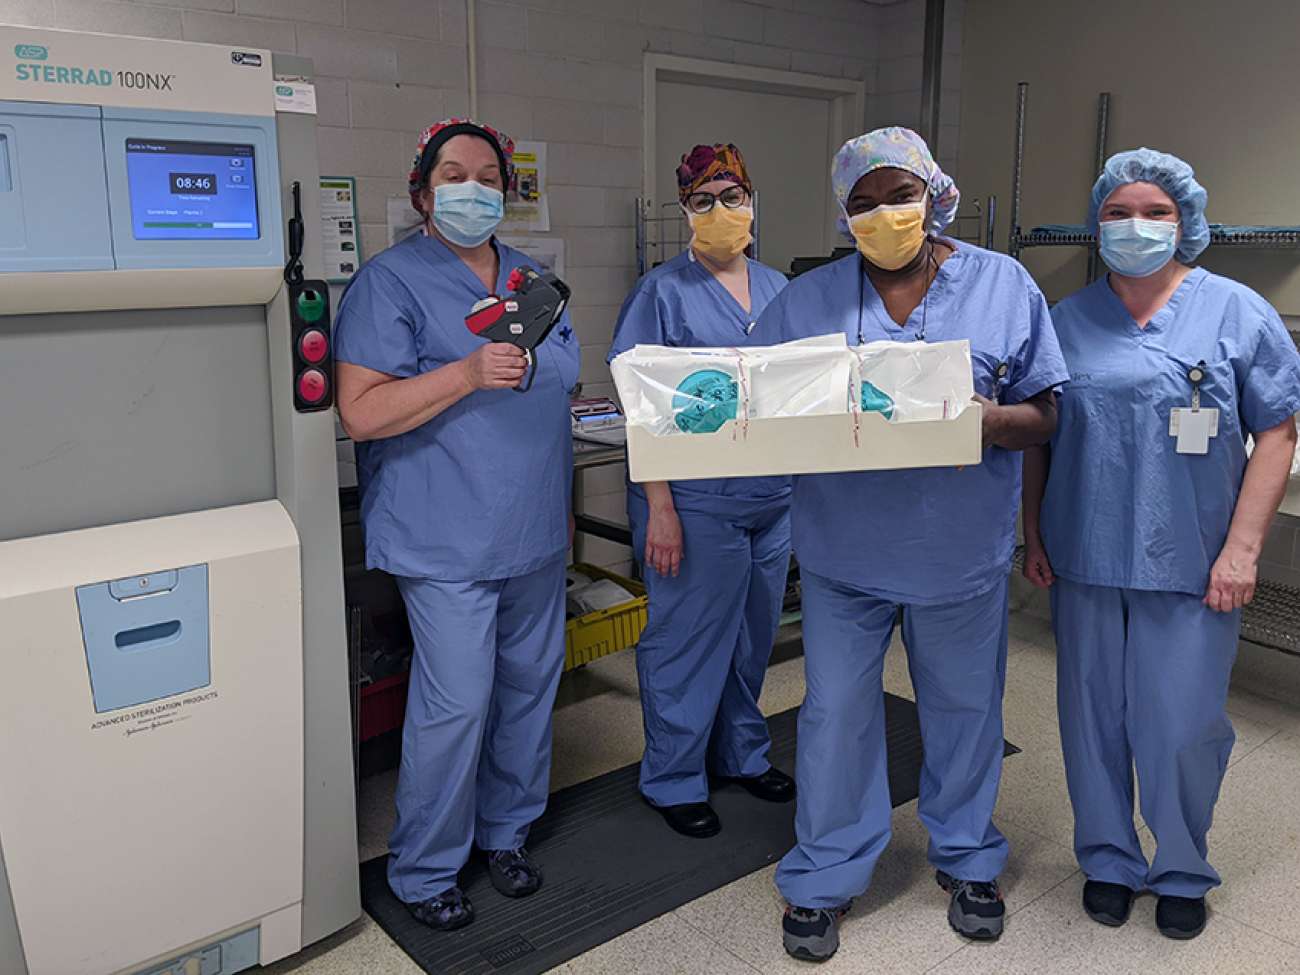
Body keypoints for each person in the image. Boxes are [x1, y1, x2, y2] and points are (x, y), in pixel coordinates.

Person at [752, 127, 1069, 962]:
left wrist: (990, 420)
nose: (882, 214)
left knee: (965, 713)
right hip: (840, 555)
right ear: (843, 216)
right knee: (835, 716)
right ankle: (823, 874)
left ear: (934, 194)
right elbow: (750, 407)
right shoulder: (806, 300)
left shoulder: (1003, 285)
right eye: (862, 203)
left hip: (956, 551)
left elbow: (1048, 412)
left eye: (898, 195)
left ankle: (967, 858)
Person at [1021, 148, 1300, 941]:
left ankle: (1181, 866)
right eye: (1117, 212)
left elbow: (1277, 432)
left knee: (1180, 725)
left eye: (1155, 212)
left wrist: (1243, 550)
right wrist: (1033, 529)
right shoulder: (1065, 321)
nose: (1135, 226)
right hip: (1084, 552)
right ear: (1095, 224)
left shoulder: (1237, 312)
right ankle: (1108, 858)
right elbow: (1041, 439)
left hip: (1193, 560)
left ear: (1187, 222)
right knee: (1090, 719)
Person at [333, 118, 580, 932]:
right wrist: (468, 371)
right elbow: (362, 412)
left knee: (526, 691)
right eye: (453, 174)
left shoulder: (534, 281)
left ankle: (507, 832)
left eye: (487, 175)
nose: (473, 187)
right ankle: (425, 866)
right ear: (422, 192)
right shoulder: (390, 283)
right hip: (445, 539)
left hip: (533, 530)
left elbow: (562, 380)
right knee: (456, 703)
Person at [606, 143, 795, 839]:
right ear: (685, 211)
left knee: (751, 637)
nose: (721, 212)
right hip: (690, 502)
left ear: (753, 202)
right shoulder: (661, 293)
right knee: (687, 640)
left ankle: (742, 753)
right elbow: (640, 405)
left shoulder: (781, 290)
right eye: (703, 200)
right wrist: (659, 507)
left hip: (770, 499)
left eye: (732, 196)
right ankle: (673, 775)